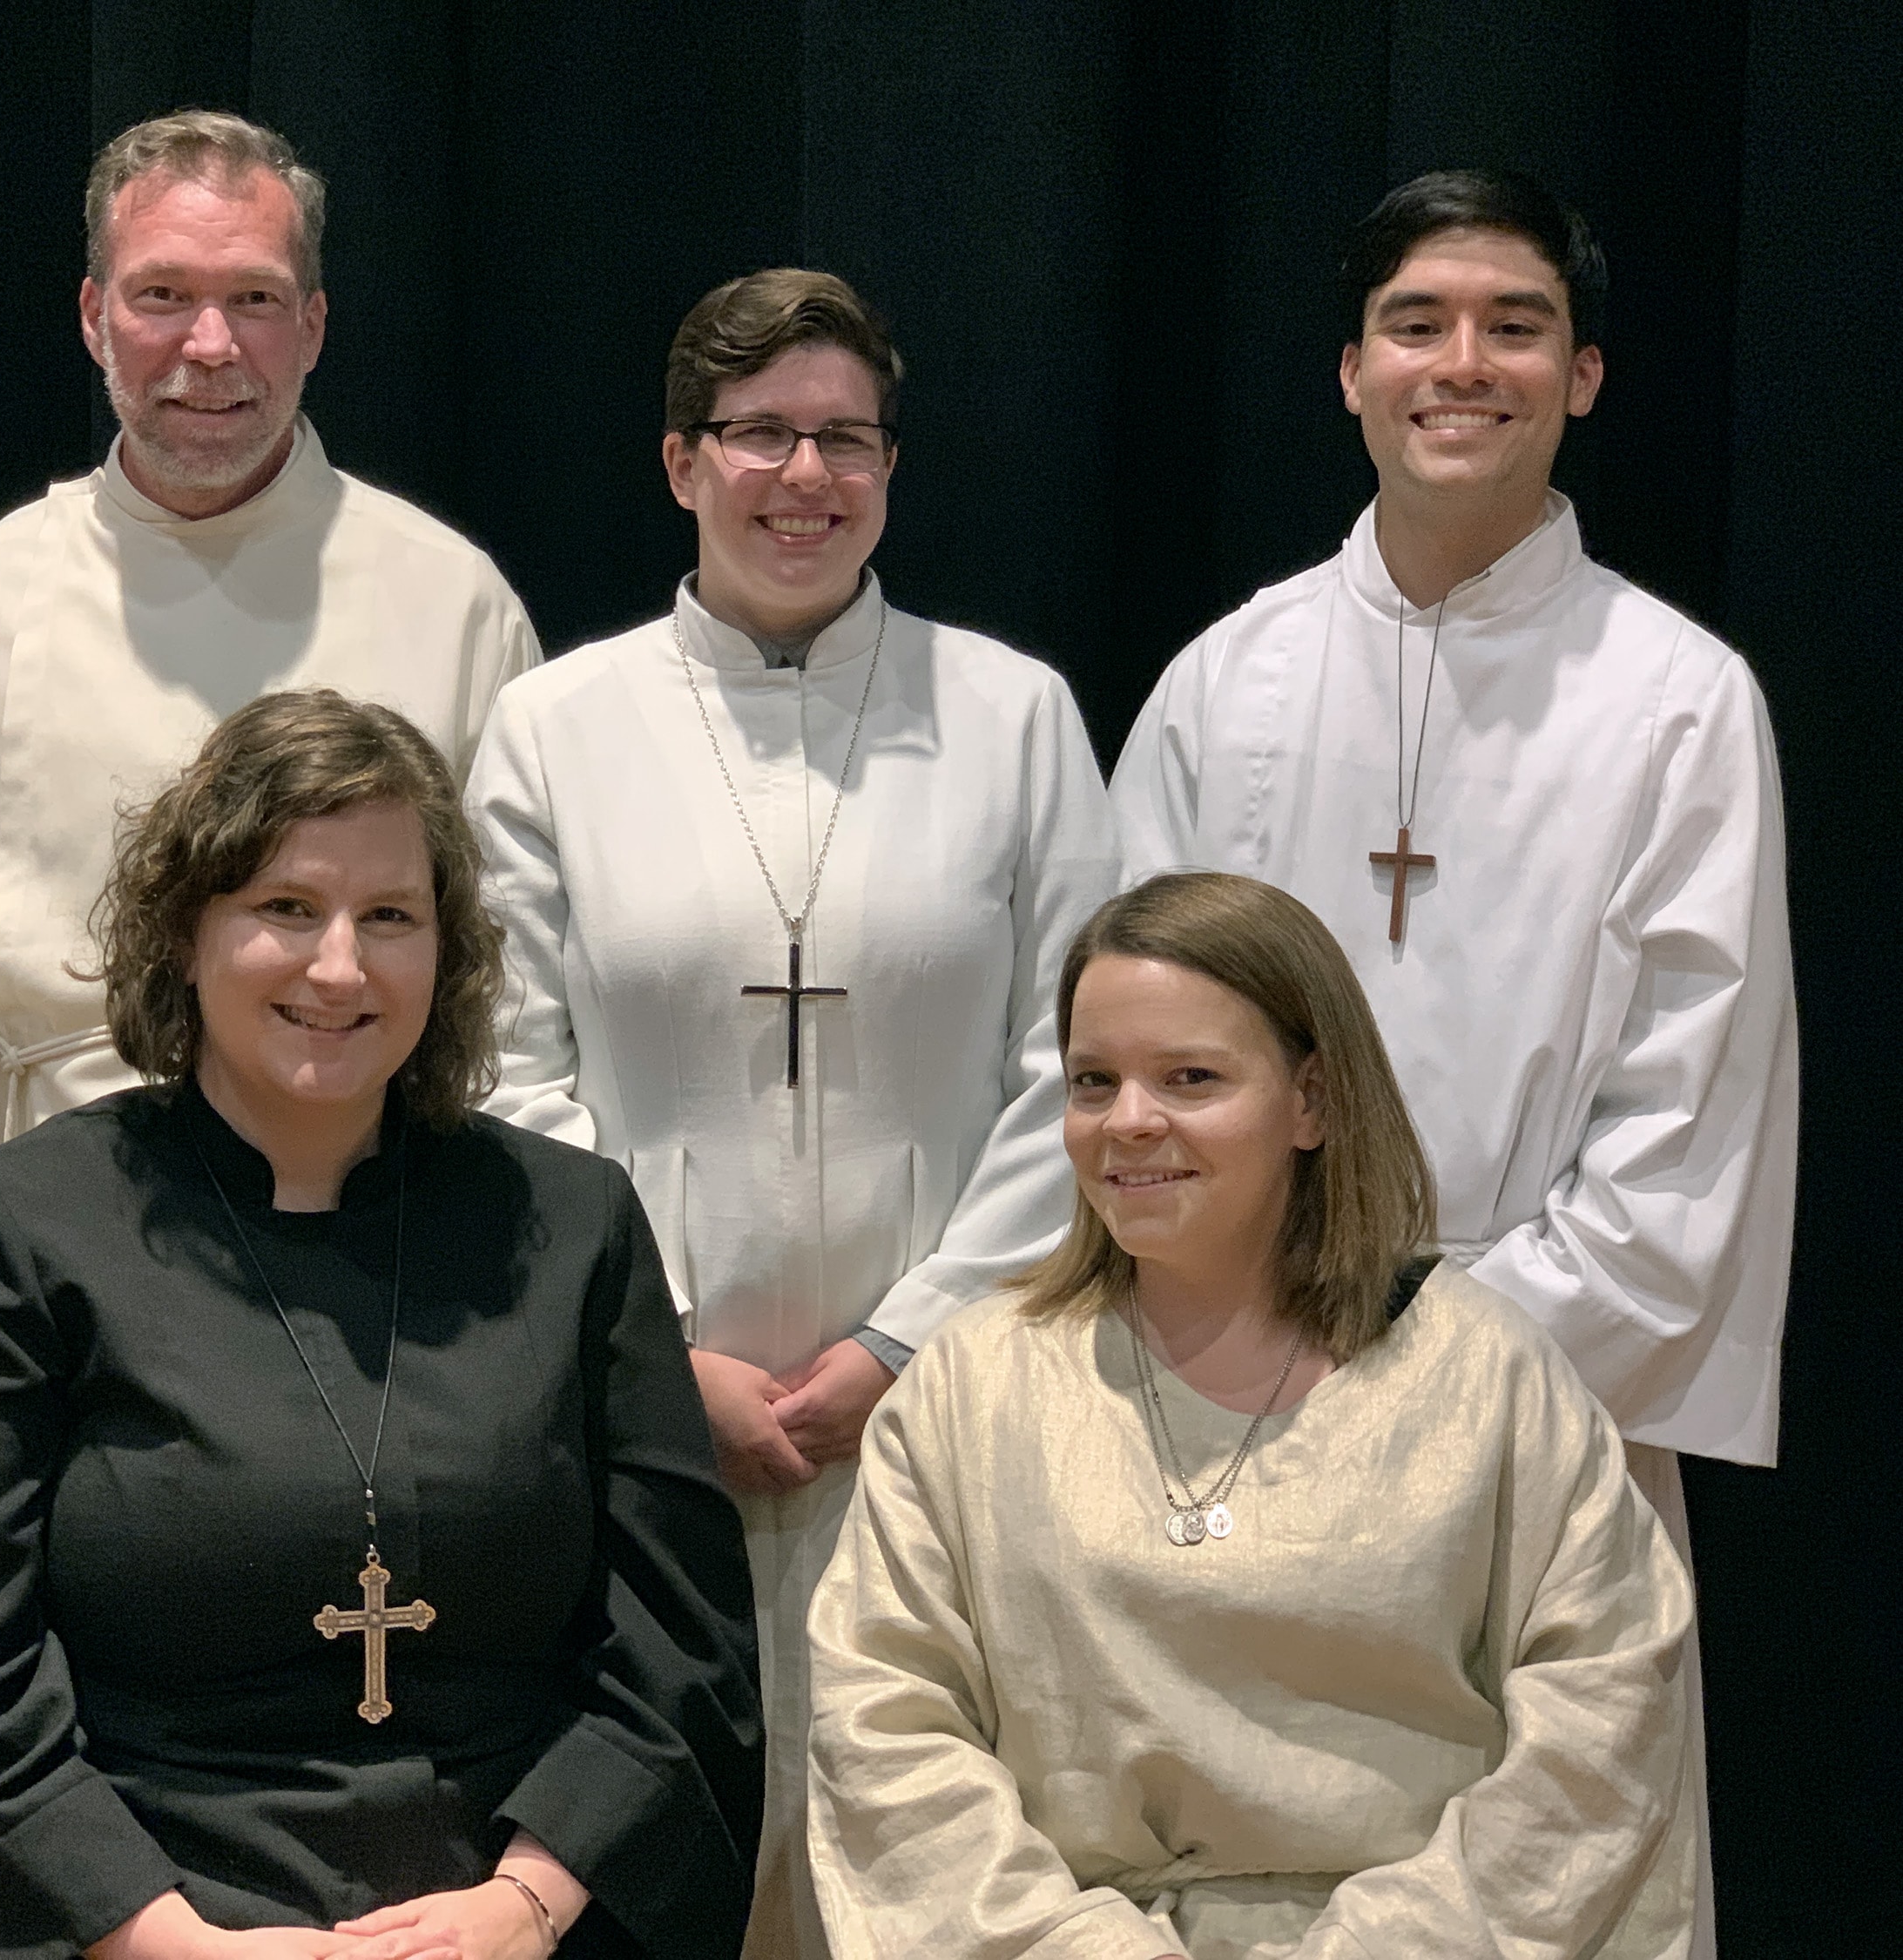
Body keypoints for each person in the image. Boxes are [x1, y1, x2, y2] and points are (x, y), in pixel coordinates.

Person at [1110, 170, 1792, 1957]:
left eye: (1516, 326)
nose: (1461, 363)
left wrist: (1421, 1388)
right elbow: (1120, 1073)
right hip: (1226, 1423)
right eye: (1418, 324)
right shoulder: (1224, 683)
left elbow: (1685, 1134)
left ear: (1583, 378)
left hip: (1543, 1437)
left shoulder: (1678, 699)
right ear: (1349, 370)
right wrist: (1253, 1346)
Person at [0, 690, 762, 1960]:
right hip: (131, 1905)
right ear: (185, 932)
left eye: (390, 916)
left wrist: (521, 1906)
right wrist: (168, 1941)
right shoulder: (14, 1229)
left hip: (500, 1907)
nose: (339, 965)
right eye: (284, 908)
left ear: (451, 948)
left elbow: (679, 1646)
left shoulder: (571, 1224)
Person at [464, 270, 1121, 1960]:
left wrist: (902, 1346)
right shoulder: (554, 727)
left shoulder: (1015, 717)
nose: (804, 477)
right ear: (681, 461)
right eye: (760, 435)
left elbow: (1085, 1071)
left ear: (893, 468)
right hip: (644, 1416)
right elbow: (508, 1070)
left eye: (845, 438)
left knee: (938, 1869)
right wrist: (664, 1352)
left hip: (950, 1402)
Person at [806, 871, 1697, 1960]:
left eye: (1190, 1077)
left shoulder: (1486, 1374)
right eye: (1094, 1082)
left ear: (1312, 1100)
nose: (1130, 1121)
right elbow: (885, 1725)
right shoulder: (970, 1385)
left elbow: (1603, 1720)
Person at [0, 109, 539, 1148]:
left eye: (255, 300)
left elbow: (511, 980)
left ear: (314, 327)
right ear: (95, 317)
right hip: (49, 1185)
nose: (211, 345)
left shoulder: (454, 601)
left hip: (365, 1192)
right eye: (164, 295)